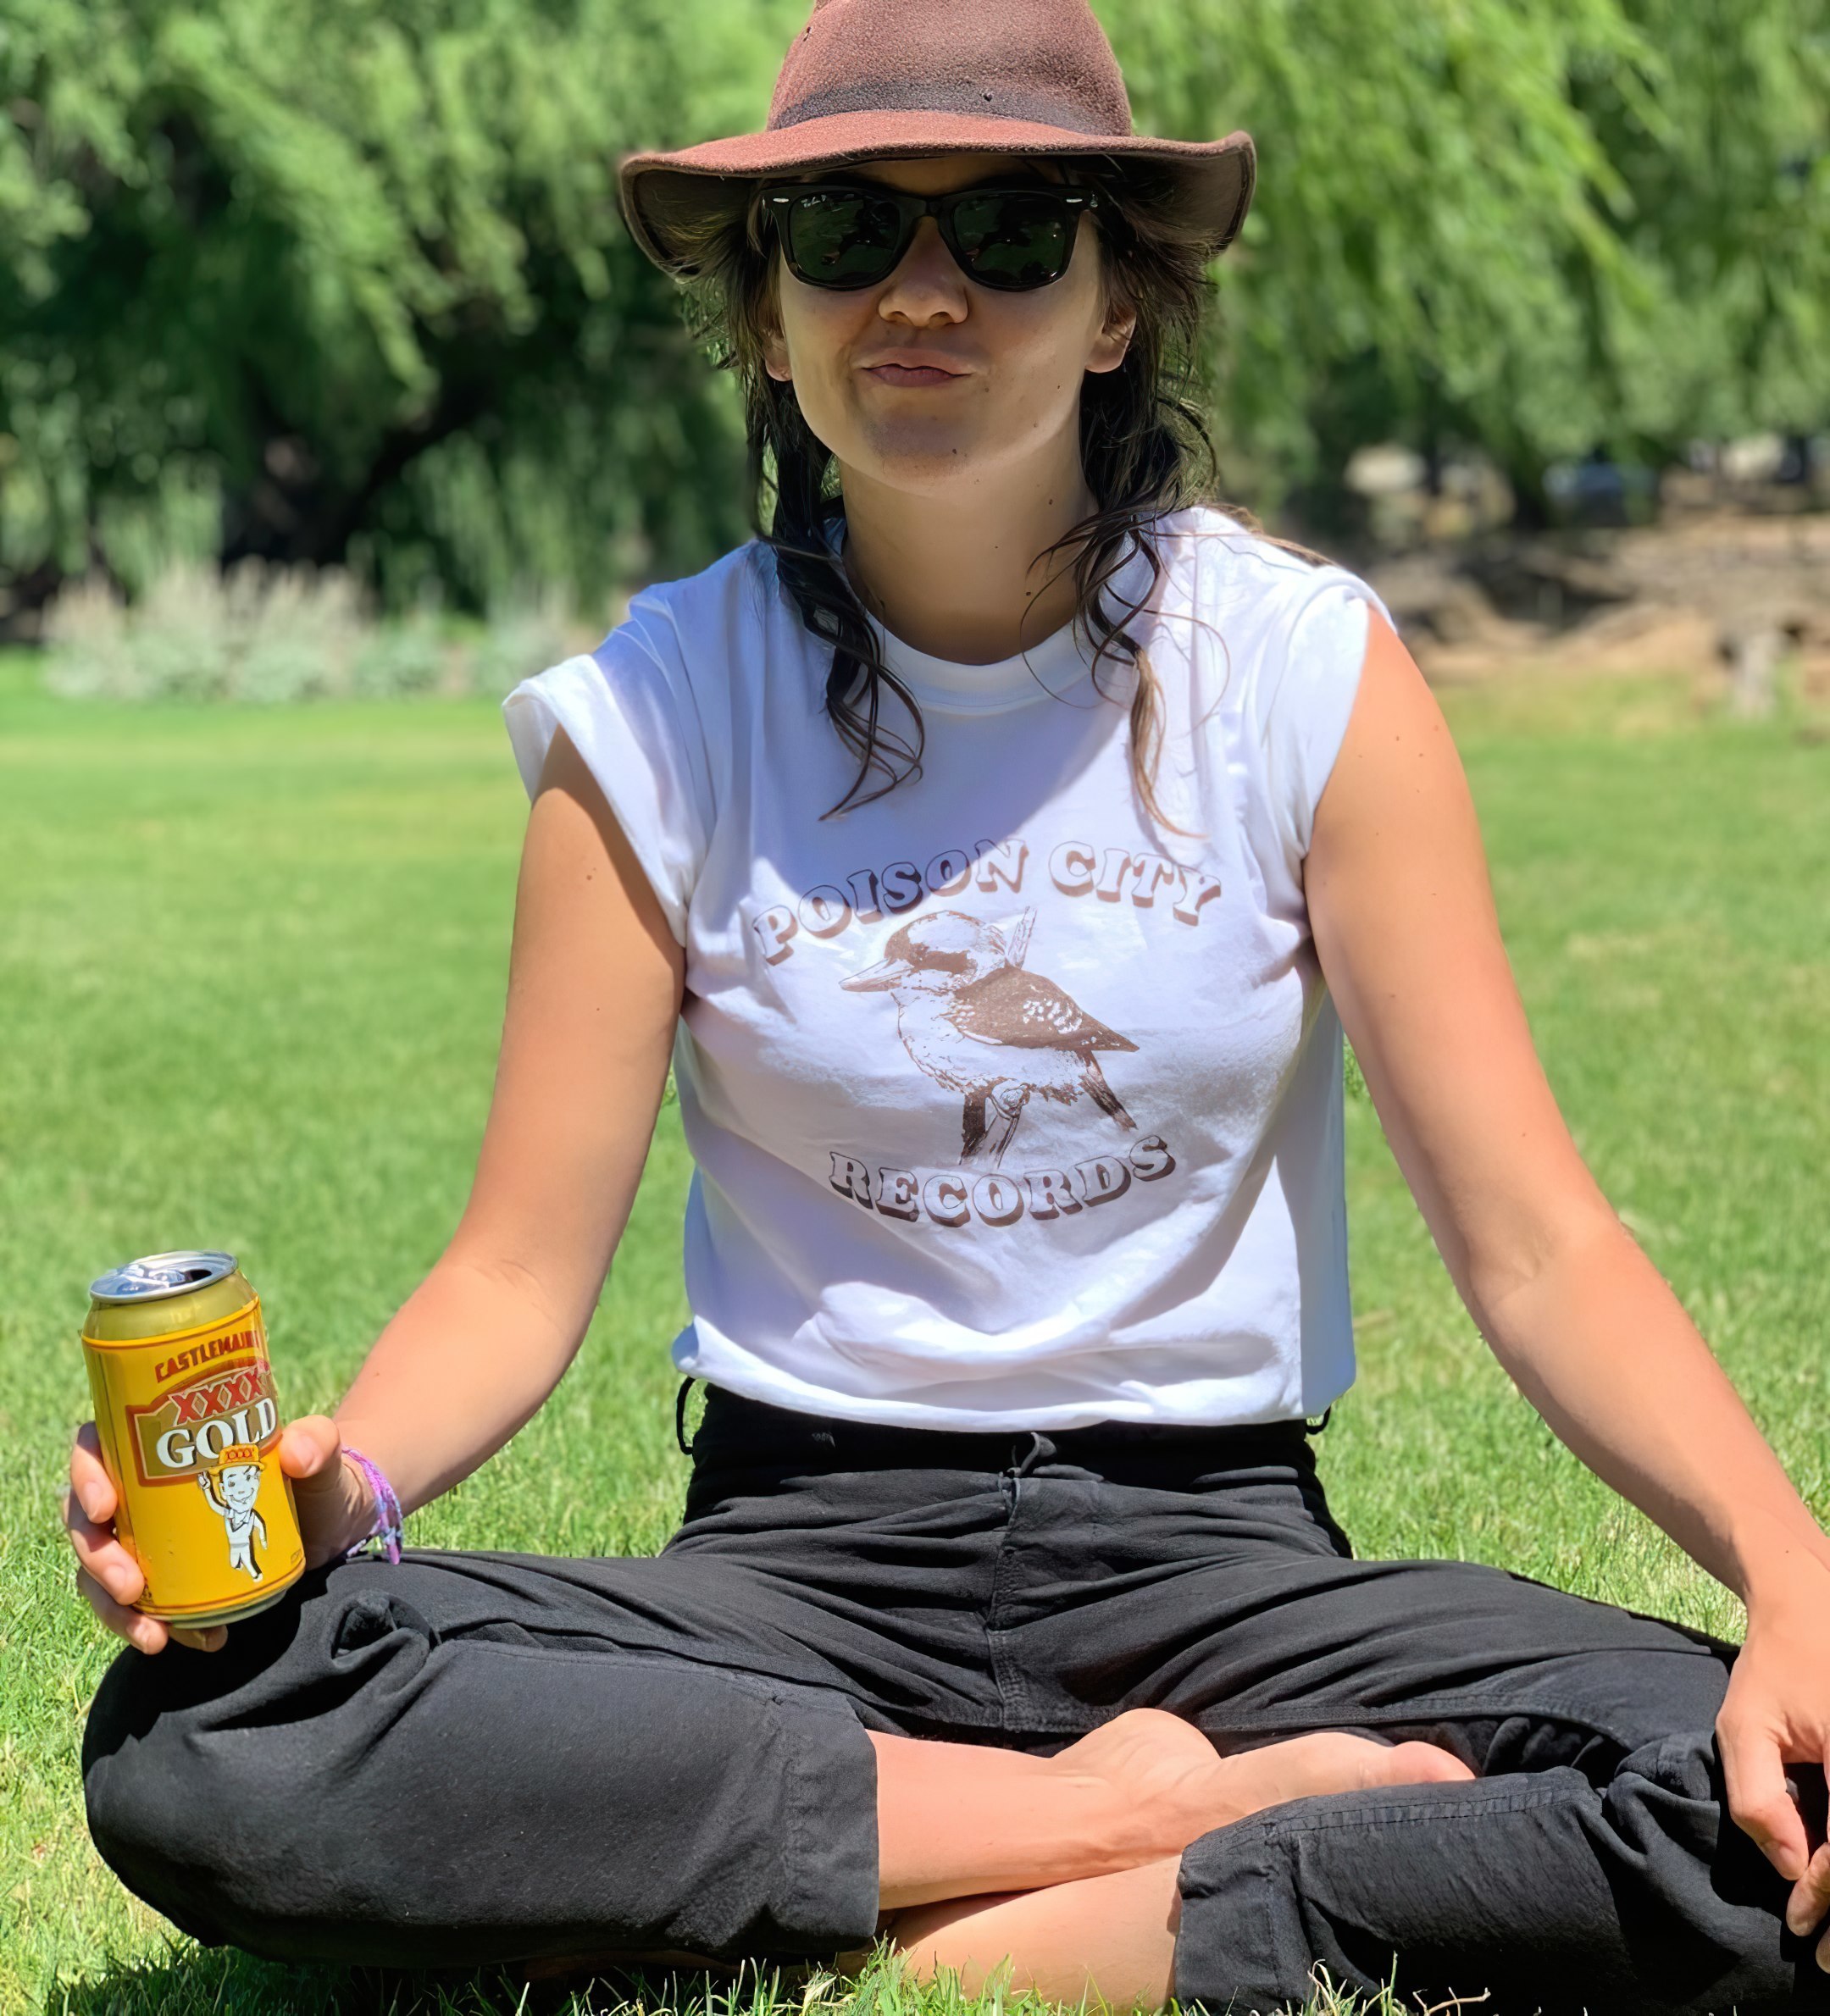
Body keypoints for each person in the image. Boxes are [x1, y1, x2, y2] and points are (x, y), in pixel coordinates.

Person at [67, 2, 1830, 2010]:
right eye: (845, 230)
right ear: (767, 313)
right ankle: (1126, 1841)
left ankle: (902, 1915)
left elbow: (1538, 1243)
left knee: (1788, 1798)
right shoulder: (658, 708)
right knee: (210, 1731)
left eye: (1006, 230)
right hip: (801, 1566)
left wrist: (1797, 1570)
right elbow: (514, 1270)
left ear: (1114, 307)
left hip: (1218, 1565)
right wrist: (333, 1498)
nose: (920, 289)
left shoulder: (1298, 672)